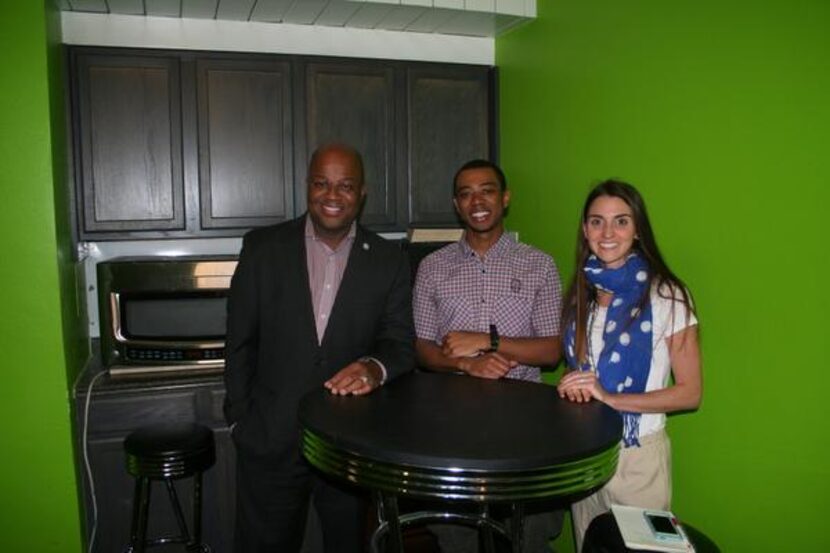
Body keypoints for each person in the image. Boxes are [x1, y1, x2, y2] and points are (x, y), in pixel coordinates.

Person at [224, 143, 416, 553]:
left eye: (345, 185)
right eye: (321, 183)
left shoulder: (389, 259)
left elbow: (400, 344)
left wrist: (373, 367)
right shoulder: (262, 248)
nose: (332, 195)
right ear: (307, 186)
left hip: (350, 446)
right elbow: (239, 341)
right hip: (270, 438)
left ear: (362, 193)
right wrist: (241, 420)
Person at [413, 159, 564, 552]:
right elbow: (423, 348)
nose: (476, 201)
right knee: (455, 535)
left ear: (505, 198)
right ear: (456, 205)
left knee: (528, 534)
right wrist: (466, 363)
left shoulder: (540, 264)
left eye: (487, 190)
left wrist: (487, 341)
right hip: (453, 423)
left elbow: (551, 350)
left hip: (525, 424)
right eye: (465, 193)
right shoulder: (432, 267)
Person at [556, 179, 702, 551]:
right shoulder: (582, 293)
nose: (607, 233)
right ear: (585, 230)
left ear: (637, 230)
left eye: (621, 221)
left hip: (639, 459)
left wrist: (609, 398)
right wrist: (573, 386)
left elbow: (690, 393)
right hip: (586, 453)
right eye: (596, 221)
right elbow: (584, 371)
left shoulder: (668, 294)